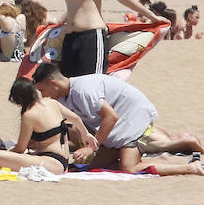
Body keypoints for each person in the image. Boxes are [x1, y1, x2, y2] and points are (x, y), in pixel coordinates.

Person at [32, 64, 204, 176]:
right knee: (94, 168)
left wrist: (91, 148)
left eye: (42, 90)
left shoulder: (83, 91)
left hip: (135, 118)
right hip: (119, 126)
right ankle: (161, 159)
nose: (42, 95)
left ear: (53, 83)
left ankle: (190, 168)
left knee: (128, 169)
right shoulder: (63, 96)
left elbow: (111, 117)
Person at [0, 77, 87, 175]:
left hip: (53, 163)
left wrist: (8, 151)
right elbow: (76, 119)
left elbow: (20, 149)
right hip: (61, 161)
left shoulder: (29, 114)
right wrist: (86, 135)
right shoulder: (51, 102)